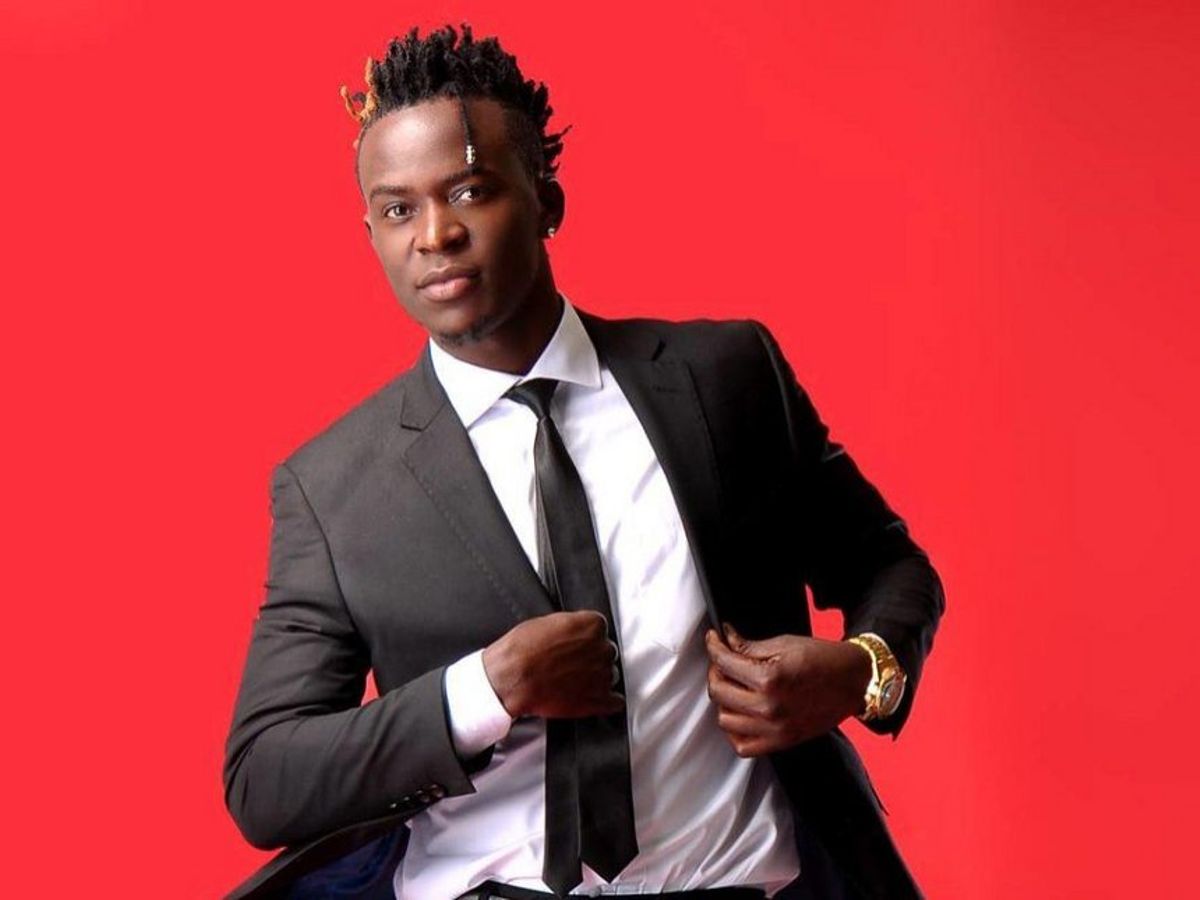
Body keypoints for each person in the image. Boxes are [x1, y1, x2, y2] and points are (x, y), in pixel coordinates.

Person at [222, 24, 945, 900]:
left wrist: (861, 671)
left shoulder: (722, 380)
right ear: (371, 233)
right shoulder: (334, 489)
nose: (436, 234)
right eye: (399, 209)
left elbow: (888, 564)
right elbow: (267, 777)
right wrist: (482, 691)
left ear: (547, 201)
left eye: (470, 190)